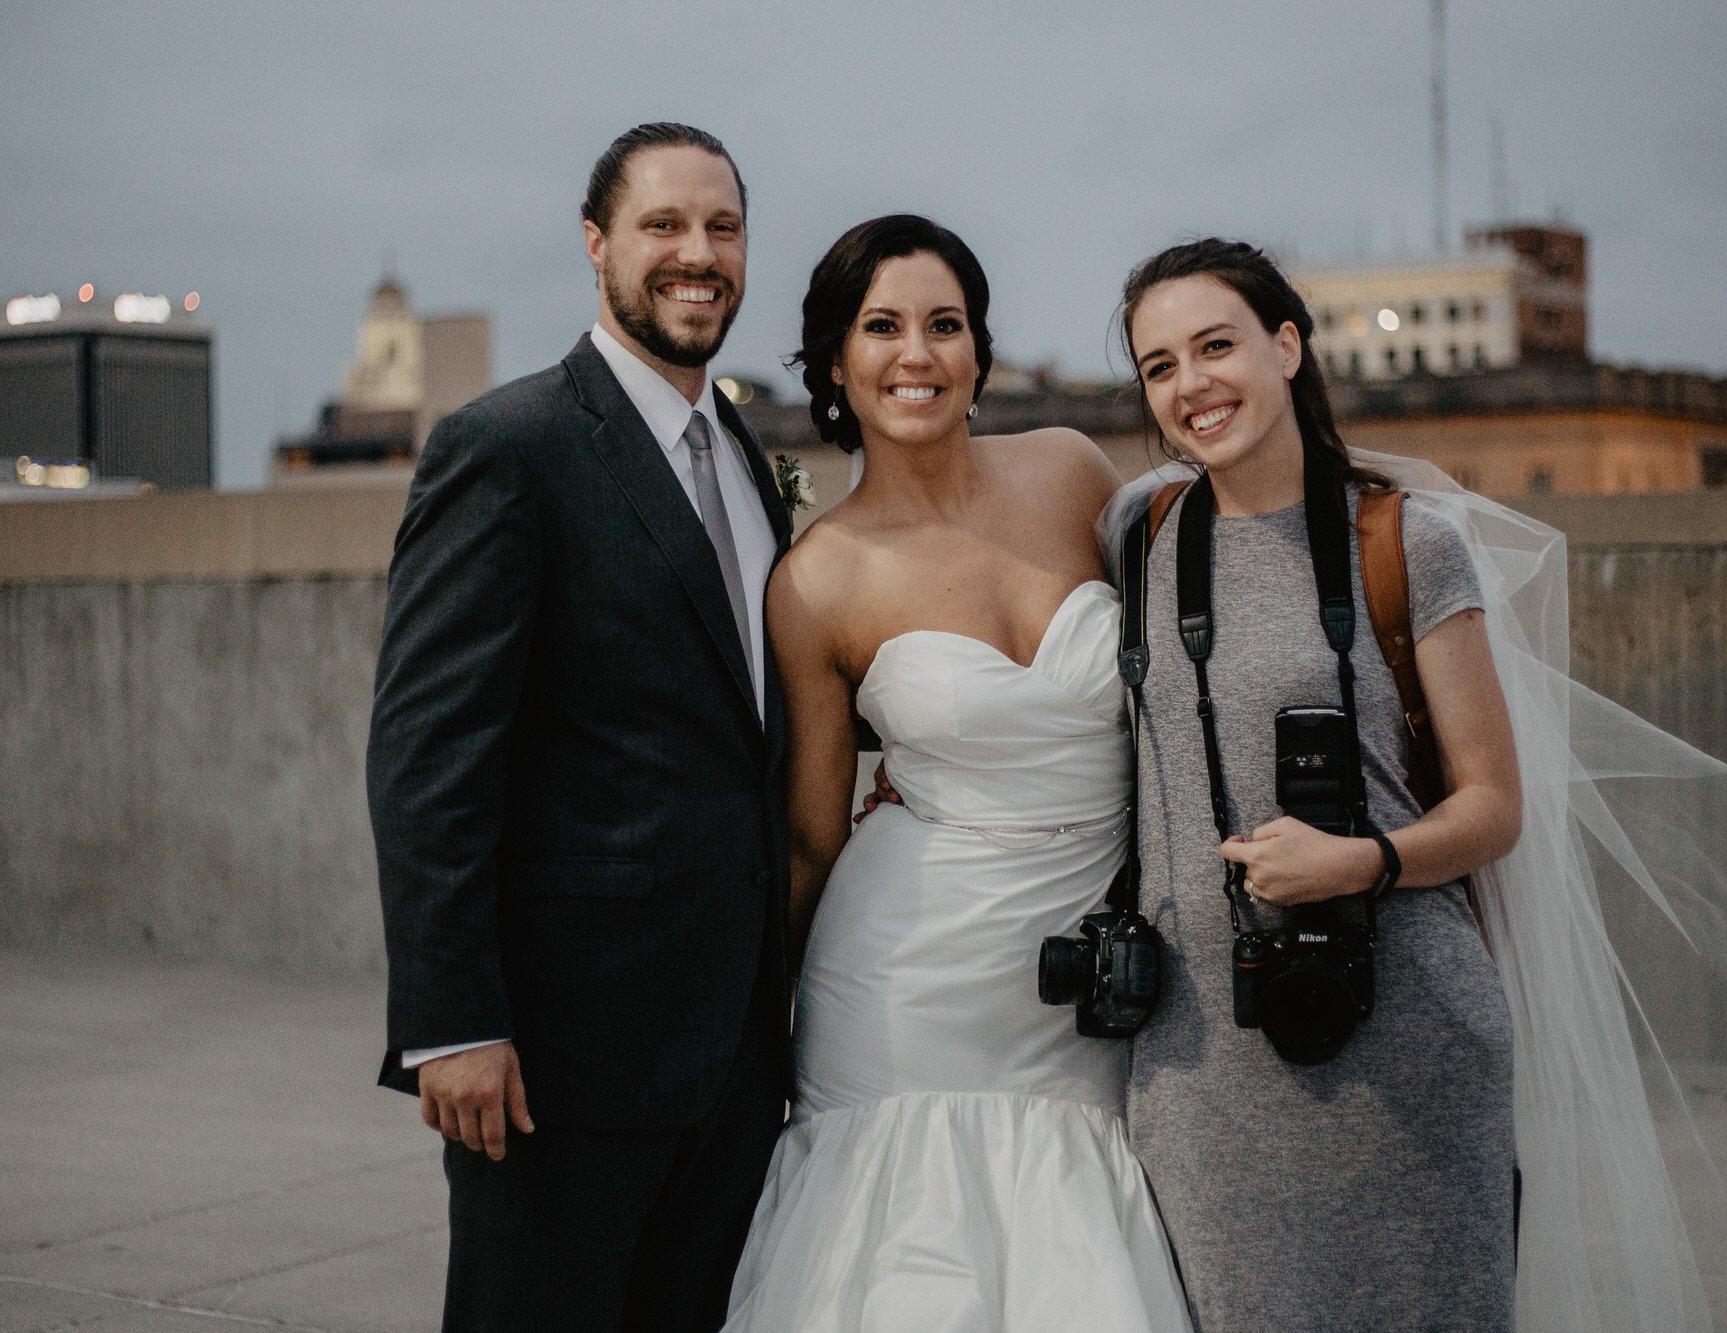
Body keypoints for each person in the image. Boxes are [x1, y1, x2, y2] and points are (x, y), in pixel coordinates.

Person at [1110, 239, 1727, 1332]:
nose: (1190, 384)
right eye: (1158, 365)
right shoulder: (1140, 535)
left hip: (1404, 1035)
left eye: (1215, 346)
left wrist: (1356, 860)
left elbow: (1492, 806)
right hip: (1199, 1067)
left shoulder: (1404, 540)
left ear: (1286, 345)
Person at [719, 214, 1193, 1332]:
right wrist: (739, 1033)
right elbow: (812, 835)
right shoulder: (816, 579)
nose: (916, 354)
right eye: (880, 327)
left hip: (1077, 982)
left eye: (944, 324)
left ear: (980, 349)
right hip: (902, 991)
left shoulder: (1073, 472)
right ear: (836, 360)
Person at [367, 122, 793, 1332]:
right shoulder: (508, 448)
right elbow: (428, 754)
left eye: (721, 226)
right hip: (561, 1057)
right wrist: (452, 1022)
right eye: (662, 225)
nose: (696, 253)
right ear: (597, 245)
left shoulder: (751, 462)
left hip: (735, 1058)